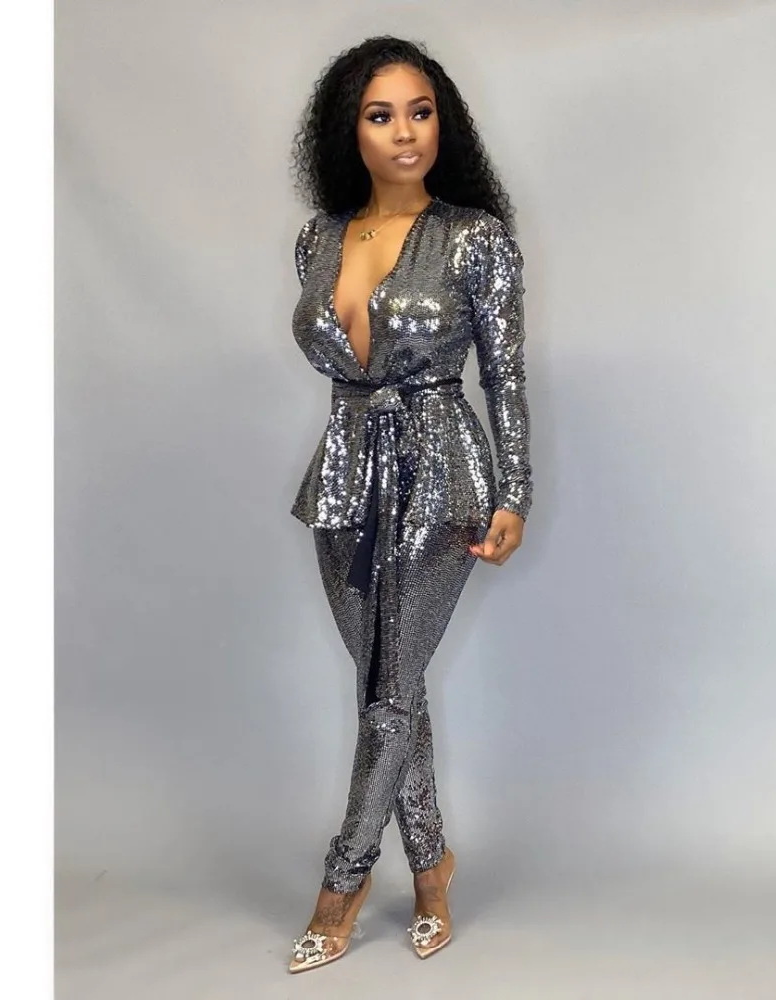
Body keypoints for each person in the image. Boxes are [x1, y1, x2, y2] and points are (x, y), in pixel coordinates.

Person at [286, 35, 533, 973]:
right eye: (381, 115)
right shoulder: (318, 238)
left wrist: (516, 490)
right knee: (386, 685)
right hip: (344, 477)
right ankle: (431, 870)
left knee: (389, 693)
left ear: (444, 124)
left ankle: (340, 887)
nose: (404, 133)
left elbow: (504, 376)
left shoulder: (475, 239)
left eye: (421, 112)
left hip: (442, 475)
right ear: (347, 131)